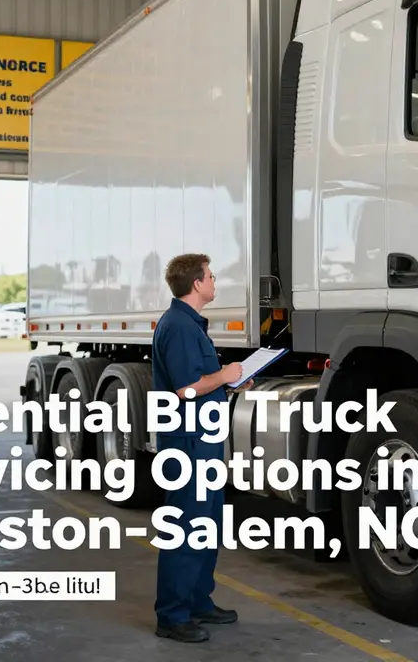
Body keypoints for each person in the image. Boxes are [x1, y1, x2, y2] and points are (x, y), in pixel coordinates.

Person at [151, 253, 246, 643]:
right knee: (187, 528)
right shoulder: (178, 327)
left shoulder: (190, 324)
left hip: (202, 440)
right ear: (197, 283)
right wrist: (224, 375)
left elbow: (200, 380)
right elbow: (185, 389)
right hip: (188, 443)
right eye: (211, 276)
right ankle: (172, 616)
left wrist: (228, 381)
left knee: (207, 525)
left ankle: (197, 602)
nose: (214, 280)